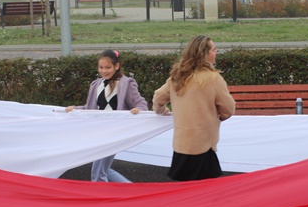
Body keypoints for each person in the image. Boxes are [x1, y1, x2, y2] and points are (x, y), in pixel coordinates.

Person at [152, 35, 235, 181]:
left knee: (182, 194)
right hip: (204, 146)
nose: (216, 53)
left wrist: (162, 111)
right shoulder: (213, 79)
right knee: (208, 194)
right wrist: (218, 116)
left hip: (181, 146)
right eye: (214, 50)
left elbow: (158, 98)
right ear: (205, 54)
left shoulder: (177, 77)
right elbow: (228, 110)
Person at [65, 49, 148, 182]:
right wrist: (75, 109)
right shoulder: (96, 84)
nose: (104, 71)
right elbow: (90, 108)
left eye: (108, 67)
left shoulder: (126, 83)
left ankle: (102, 199)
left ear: (117, 66)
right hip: (99, 132)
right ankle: (134, 192)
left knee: (98, 173)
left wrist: (138, 109)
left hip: (114, 132)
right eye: (101, 67)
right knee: (103, 169)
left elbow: (140, 103)